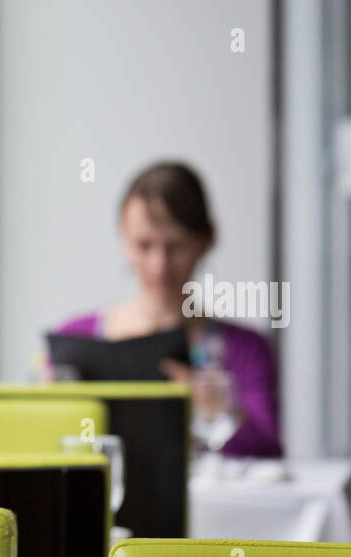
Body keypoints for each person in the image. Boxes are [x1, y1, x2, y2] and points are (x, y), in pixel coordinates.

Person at [53, 161, 283, 458]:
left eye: (175, 247)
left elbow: (269, 452)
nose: (159, 267)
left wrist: (224, 413)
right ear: (124, 240)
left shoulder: (246, 351)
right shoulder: (75, 340)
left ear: (205, 241)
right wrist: (50, 406)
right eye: (144, 246)